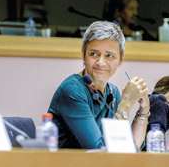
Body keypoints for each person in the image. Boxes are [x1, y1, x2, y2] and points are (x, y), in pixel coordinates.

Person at [48, 21, 150, 149]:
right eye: (93, 54)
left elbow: (127, 148)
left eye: (109, 55)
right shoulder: (72, 90)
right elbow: (98, 151)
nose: (101, 62)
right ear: (83, 56)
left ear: (120, 60)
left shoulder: (113, 92)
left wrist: (144, 110)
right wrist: (126, 103)